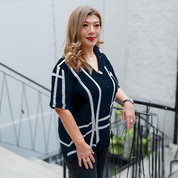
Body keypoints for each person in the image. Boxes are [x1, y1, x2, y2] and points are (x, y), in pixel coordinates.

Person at [49, 5, 135, 178]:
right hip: (78, 144)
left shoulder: (102, 58)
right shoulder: (65, 66)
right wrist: (80, 145)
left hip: (102, 139)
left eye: (96, 25)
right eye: (85, 25)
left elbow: (113, 85)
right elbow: (61, 108)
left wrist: (127, 101)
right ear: (75, 28)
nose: (92, 31)